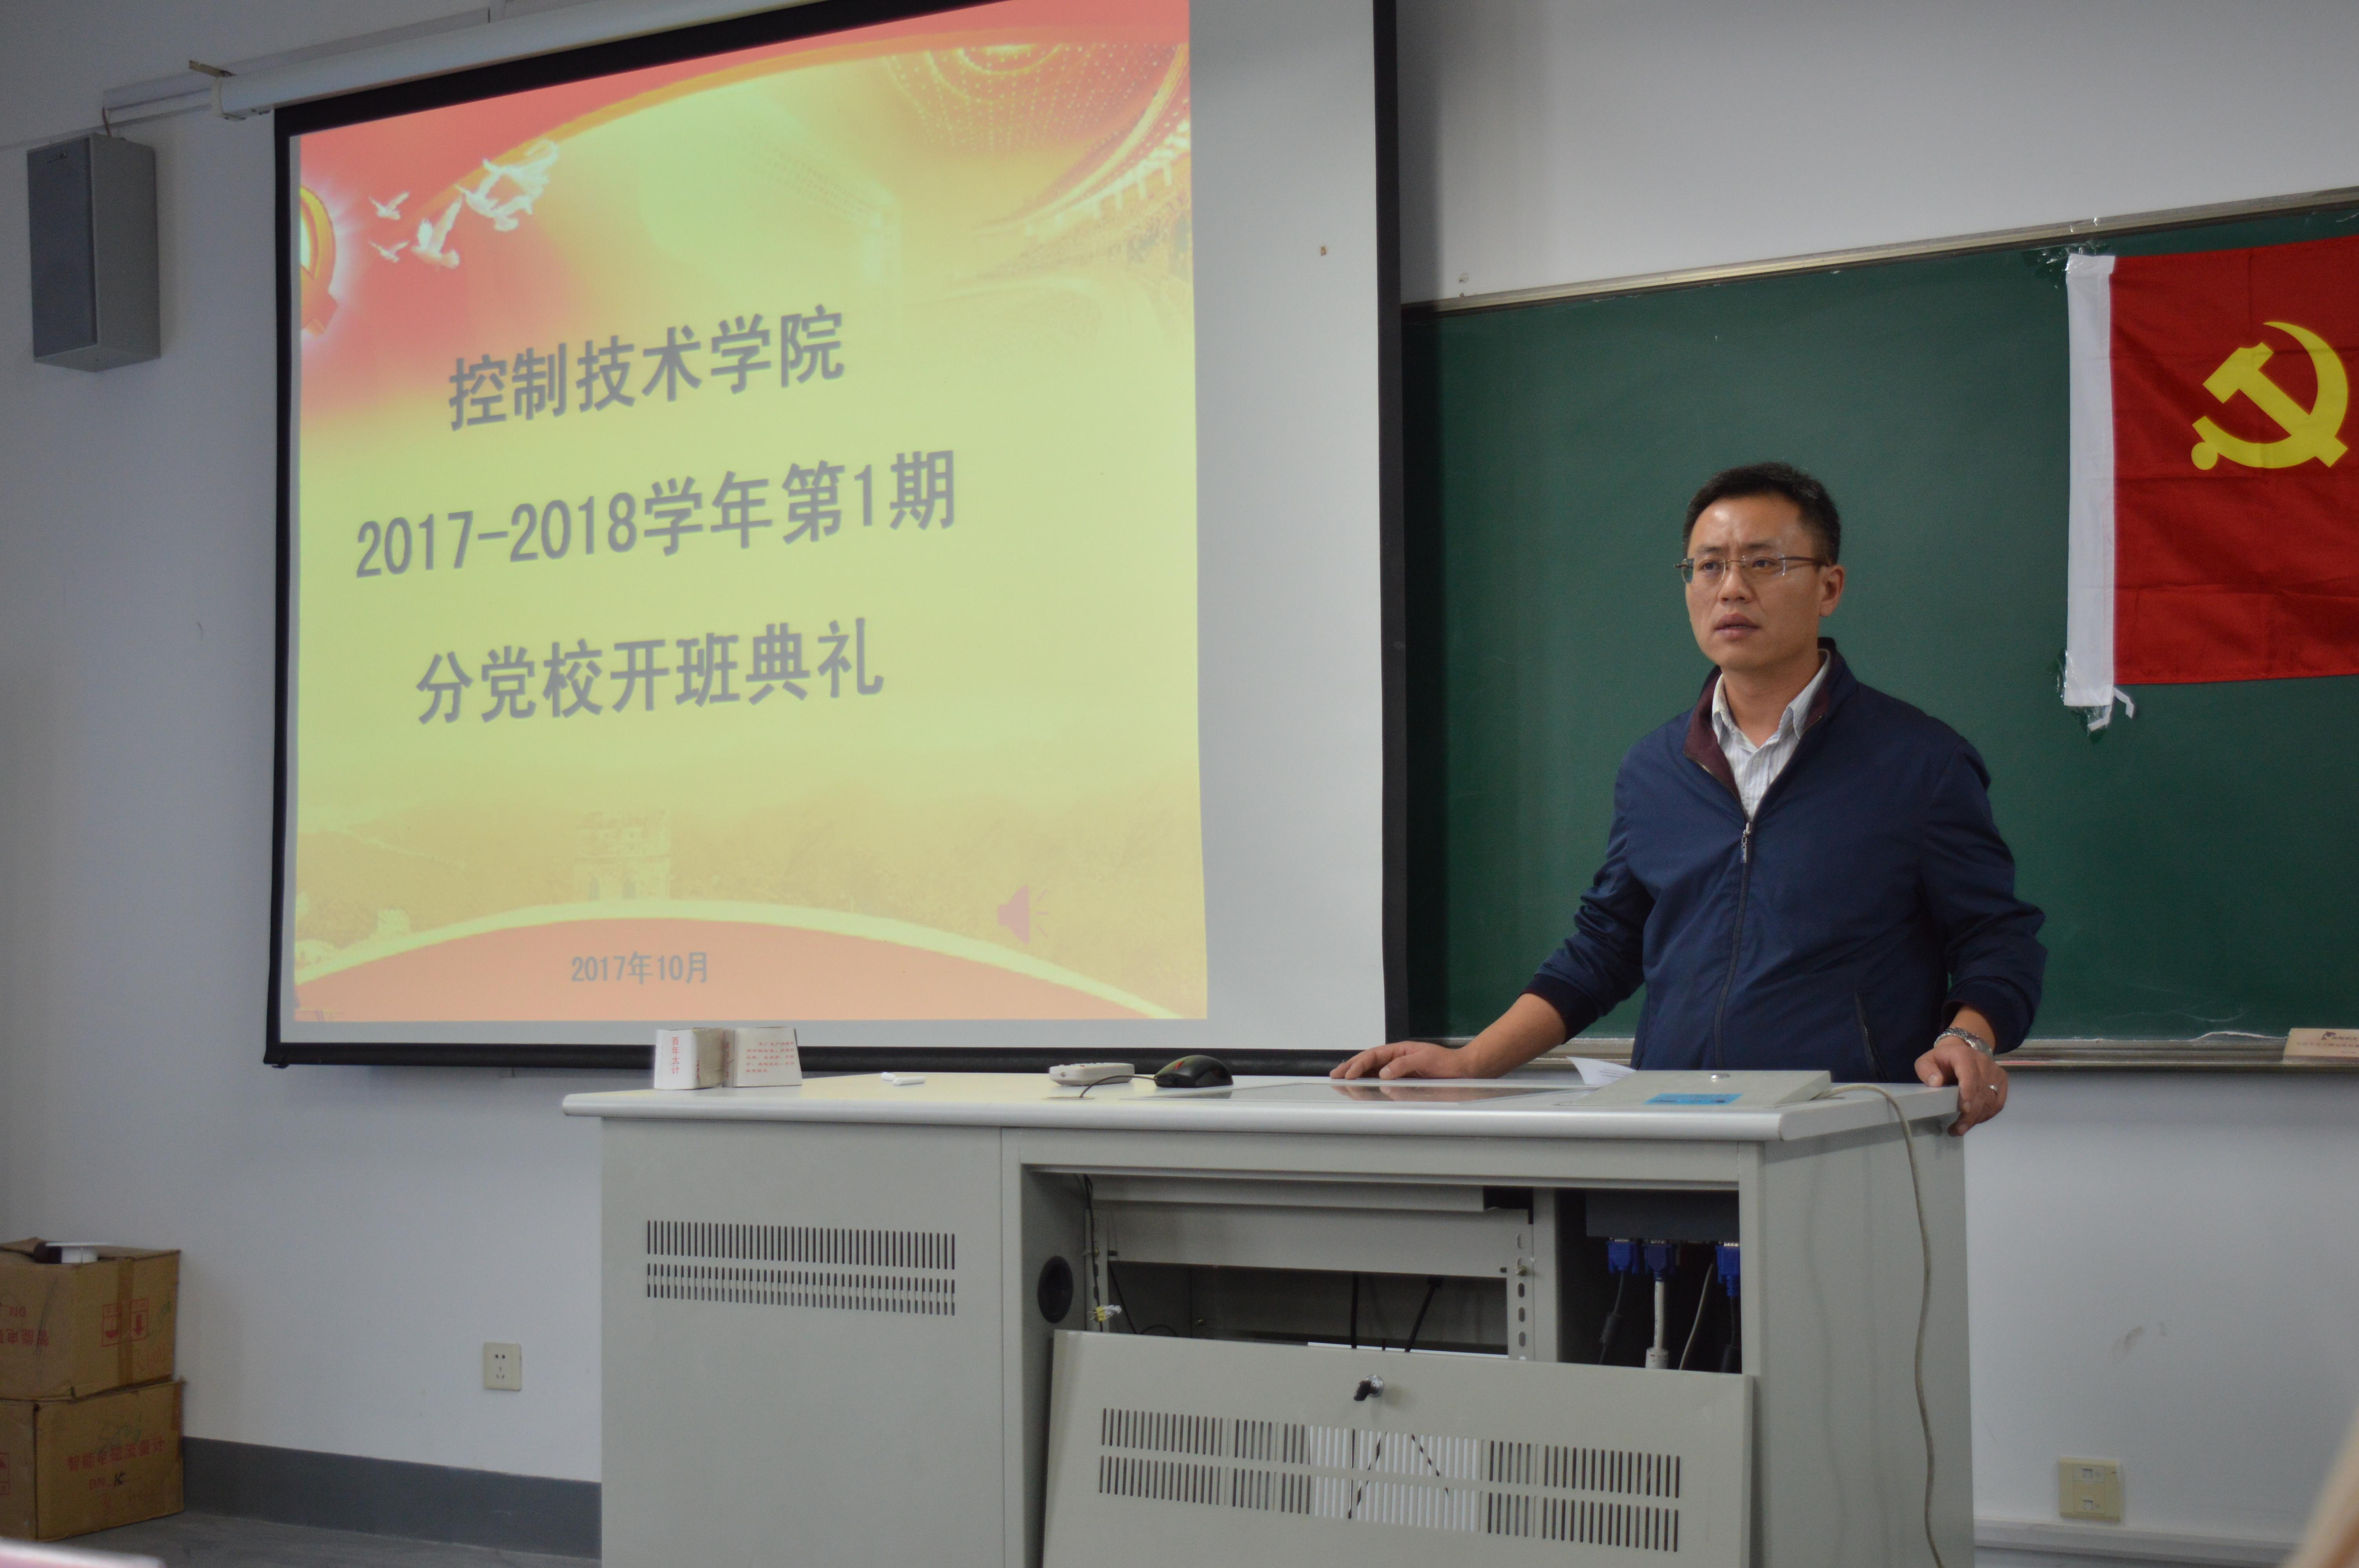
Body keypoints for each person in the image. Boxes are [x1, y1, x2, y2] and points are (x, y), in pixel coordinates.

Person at [1337, 462, 2046, 1133]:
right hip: (1673, 1126)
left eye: (1764, 563)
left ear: (1829, 587)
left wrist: (1967, 1037)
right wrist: (1470, 1062)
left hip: (1845, 1125)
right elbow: (1606, 946)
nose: (1731, 589)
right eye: (1709, 566)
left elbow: (1997, 938)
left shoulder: (1919, 762)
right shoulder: (1655, 767)